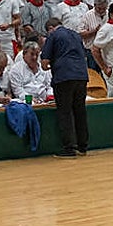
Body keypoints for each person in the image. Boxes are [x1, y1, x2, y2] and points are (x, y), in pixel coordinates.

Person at [39, 18, 89, 158]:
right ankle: (83, 146)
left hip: (64, 76)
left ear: (50, 28)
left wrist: (49, 65)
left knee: (65, 112)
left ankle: (69, 148)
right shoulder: (76, 35)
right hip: (81, 75)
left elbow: (44, 62)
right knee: (80, 111)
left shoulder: (53, 35)